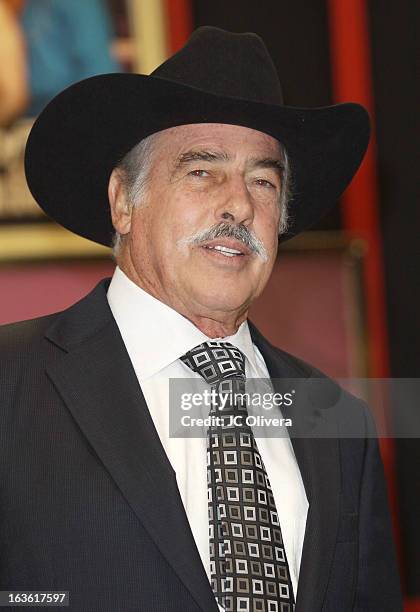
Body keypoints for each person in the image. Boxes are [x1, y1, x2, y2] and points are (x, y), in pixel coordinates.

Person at [0, 27, 402, 612]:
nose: (239, 204)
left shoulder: (338, 419)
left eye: (263, 180)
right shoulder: (10, 379)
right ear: (123, 201)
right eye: (202, 171)